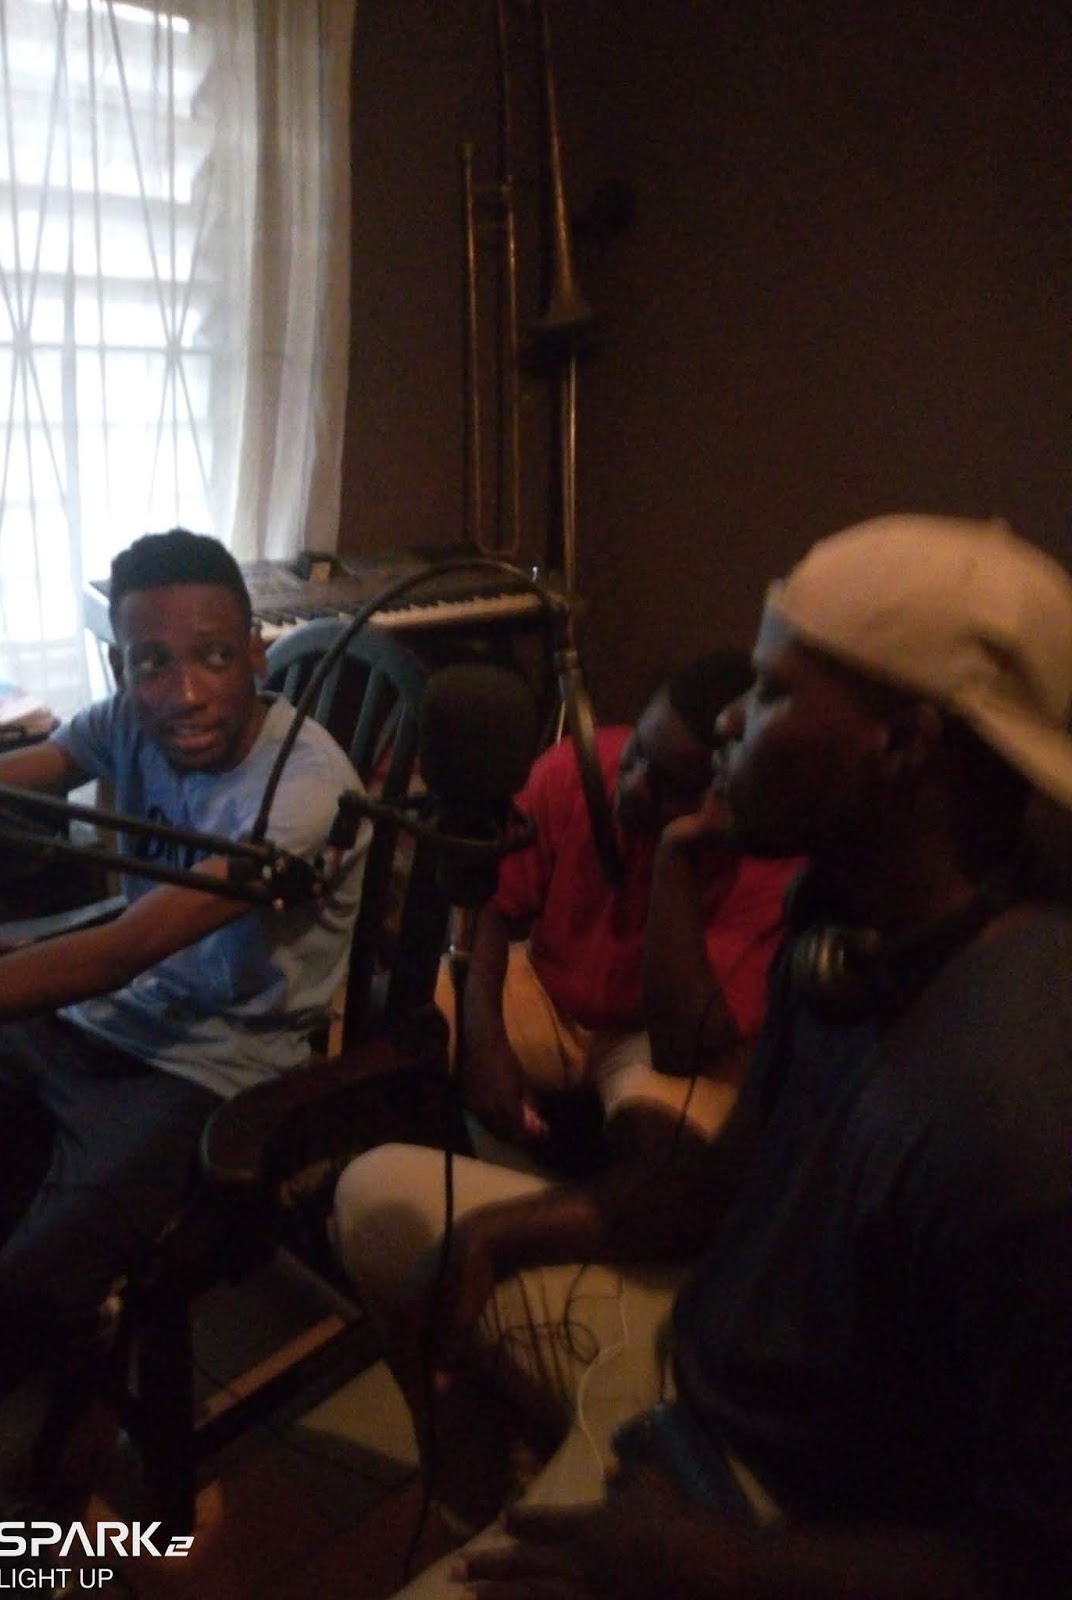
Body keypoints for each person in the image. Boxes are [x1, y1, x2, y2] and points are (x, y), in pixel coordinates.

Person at [334, 513, 1072, 1599]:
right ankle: (496, 1507)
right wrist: (507, 1228)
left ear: (903, 744)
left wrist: (713, 1566)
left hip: (777, 1516)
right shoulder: (842, 930)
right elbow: (715, 1192)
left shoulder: (1015, 1117)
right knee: (379, 1199)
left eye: (770, 692)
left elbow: (1036, 1558)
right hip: (689, 1374)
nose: (726, 717)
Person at [0, 529, 367, 1480]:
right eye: (152, 664)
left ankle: (79, 1371)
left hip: (208, 1064)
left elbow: (118, 951)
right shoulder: (129, 719)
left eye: (214, 657)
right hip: (110, 1018)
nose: (184, 694)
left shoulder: (304, 792)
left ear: (256, 654)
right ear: (120, 667)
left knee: (25, 1286)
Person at [447, 652, 798, 1168]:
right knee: (406, 1018)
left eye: (669, 785)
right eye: (638, 755)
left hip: (647, 1034)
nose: (633, 786)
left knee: (671, 1145)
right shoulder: (579, 767)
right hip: (546, 990)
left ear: (729, 793)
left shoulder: (771, 870)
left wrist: (675, 855)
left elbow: (682, 1042)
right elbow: (489, 904)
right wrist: (485, 1039)